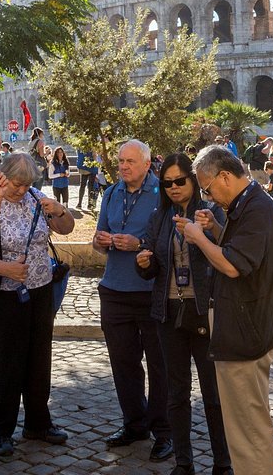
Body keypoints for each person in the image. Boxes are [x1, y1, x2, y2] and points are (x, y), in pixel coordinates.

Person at [0, 153, 75, 457]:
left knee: (39, 359)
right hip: (4, 294)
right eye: (16, 184)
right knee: (10, 364)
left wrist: (60, 210)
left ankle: (38, 423)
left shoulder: (37, 198)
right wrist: (5, 269)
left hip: (39, 290)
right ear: (1, 176)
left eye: (27, 185)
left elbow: (67, 229)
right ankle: (2, 429)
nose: (21, 190)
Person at [184, 145, 273, 475]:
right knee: (245, 425)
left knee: (248, 429)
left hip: (246, 333)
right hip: (245, 327)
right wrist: (215, 228)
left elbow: (232, 264)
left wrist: (198, 238)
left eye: (208, 189)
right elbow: (241, 247)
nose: (209, 197)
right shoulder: (250, 204)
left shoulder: (256, 208)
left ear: (225, 176)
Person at [135, 153, 233, 475]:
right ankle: (183, 462)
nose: (174, 188)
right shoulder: (159, 217)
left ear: (192, 180)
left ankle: (223, 462)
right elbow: (150, 263)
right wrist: (144, 262)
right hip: (169, 314)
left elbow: (228, 253)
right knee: (176, 393)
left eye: (180, 181)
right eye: (167, 183)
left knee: (213, 394)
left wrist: (207, 231)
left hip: (203, 312)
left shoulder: (210, 212)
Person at [92, 140, 173, 462]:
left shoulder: (163, 194)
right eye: (120, 161)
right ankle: (134, 424)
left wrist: (138, 243)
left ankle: (164, 431)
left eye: (129, 161)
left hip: (151, 291)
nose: (123, 166)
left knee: (159, 364)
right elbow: (99, 241)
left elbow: (169, 240)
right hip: (114, 290)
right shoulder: (111, 193)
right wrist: (102, 241)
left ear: (146, 163)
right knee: (123, 364)